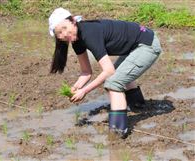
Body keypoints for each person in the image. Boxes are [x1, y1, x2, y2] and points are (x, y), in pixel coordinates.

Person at [48, 7, 162, 138]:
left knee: (113, 83)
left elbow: (108, 71)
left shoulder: (89, 33)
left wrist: (84, 91)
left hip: (147, 44)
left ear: (73, 20)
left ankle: (118, 131)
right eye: (59, 34)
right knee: (120, 75)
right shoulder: (76, 41)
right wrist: (76, 87)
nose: (63, 34)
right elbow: (86, 72)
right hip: (136, 46)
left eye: (64, 28)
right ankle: (139, 105)